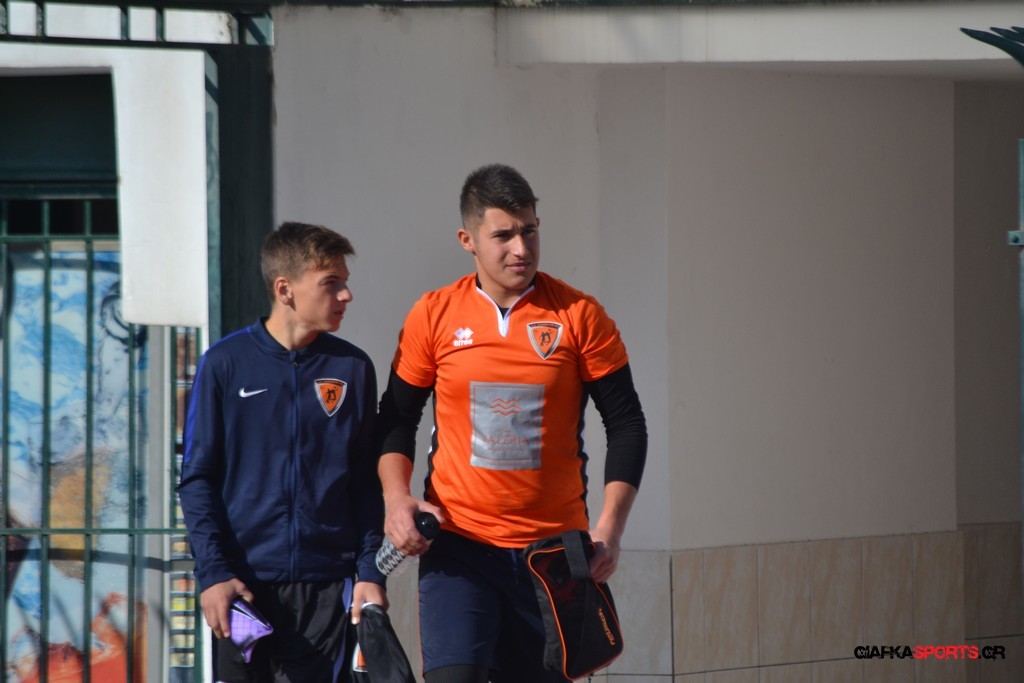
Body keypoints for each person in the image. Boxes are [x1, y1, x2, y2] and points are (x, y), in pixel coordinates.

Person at [376, 164, 648, 683]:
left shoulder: (579, 315)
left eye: (530, 230)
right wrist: (395, 499)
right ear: (468, 241)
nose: (521, 248)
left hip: (552, 558)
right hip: (459, 548)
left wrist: (610, 531)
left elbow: (627, 424)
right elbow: (395, 418)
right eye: (503, 235)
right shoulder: (433, 314)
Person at [178, 222, 387, 682]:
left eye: (345, 281)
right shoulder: (224, 364)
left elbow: (364, 483)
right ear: (285, 289)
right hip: (242, 589)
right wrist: (214, 574)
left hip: (327, 590)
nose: (346, 295)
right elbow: (197, 480)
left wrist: (371, 572)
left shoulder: (352, 367)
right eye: (331, 283)